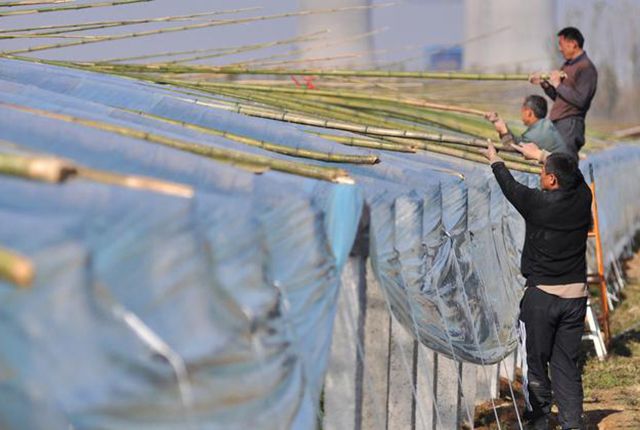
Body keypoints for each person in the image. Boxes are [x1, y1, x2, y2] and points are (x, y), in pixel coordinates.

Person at [482, 141, 591, 430]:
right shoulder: (583, 199)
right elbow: (575, 176)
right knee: (566, 364)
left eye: (542, 170)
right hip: (575, 298)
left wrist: (495, 160)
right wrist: (541, 154)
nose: (540, 174)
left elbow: (510, 188)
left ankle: (539, 422)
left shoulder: (538, 204)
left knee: (536, 365)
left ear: (552, 180)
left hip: (541, 298)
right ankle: (572, 424)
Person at [529, 27, 598, 155]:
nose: (560, 49)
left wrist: (557, 84)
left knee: (565, 165)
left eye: (561, 44)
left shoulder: (586, 68)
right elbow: (560, 97)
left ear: (573, 44)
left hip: (570, 124)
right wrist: (545, 84)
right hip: (559, 122)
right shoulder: (568, 66)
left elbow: (581, 100)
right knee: (554, 164)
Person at [485, 95, 572, 158]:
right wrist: (502, 127)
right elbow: (518, 141)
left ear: (529, 112)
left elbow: (514, 149)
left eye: (523, 110)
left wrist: (504, 131)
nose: (521, 114)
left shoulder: (536, 134)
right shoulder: (545, 125)